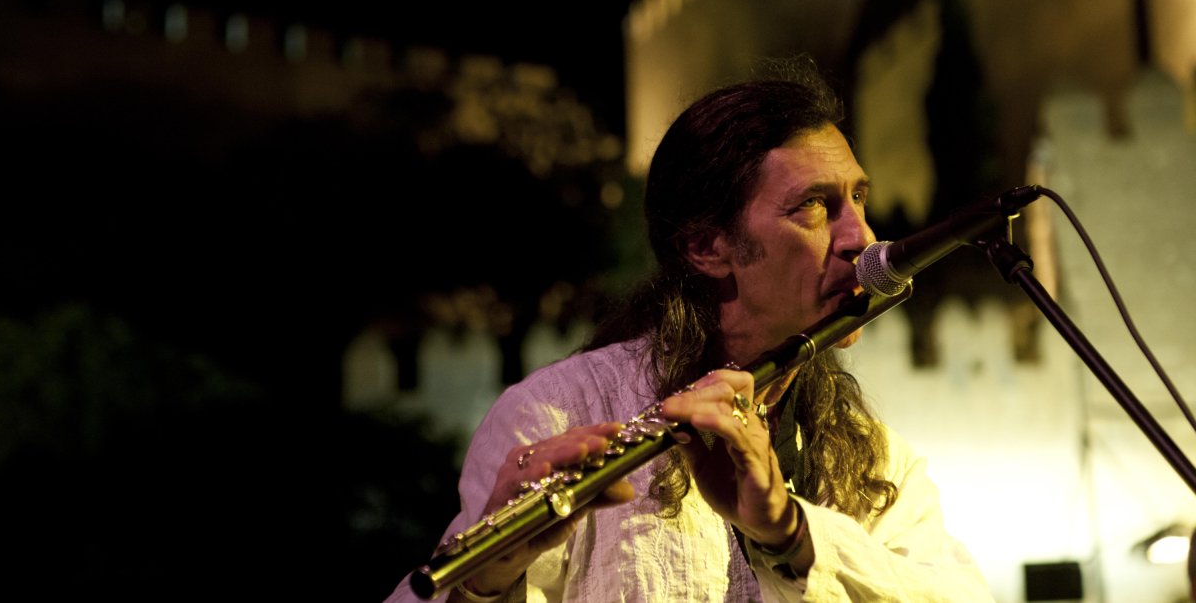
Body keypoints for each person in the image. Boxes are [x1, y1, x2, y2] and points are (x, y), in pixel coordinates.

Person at [385, 57, 993, 602]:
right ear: (706, 246)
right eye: (813, 205)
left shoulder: (877, 458)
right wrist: (485, 586)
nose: (861, 237)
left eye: (859, 198)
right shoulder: (554, 415)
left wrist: (790, 531)